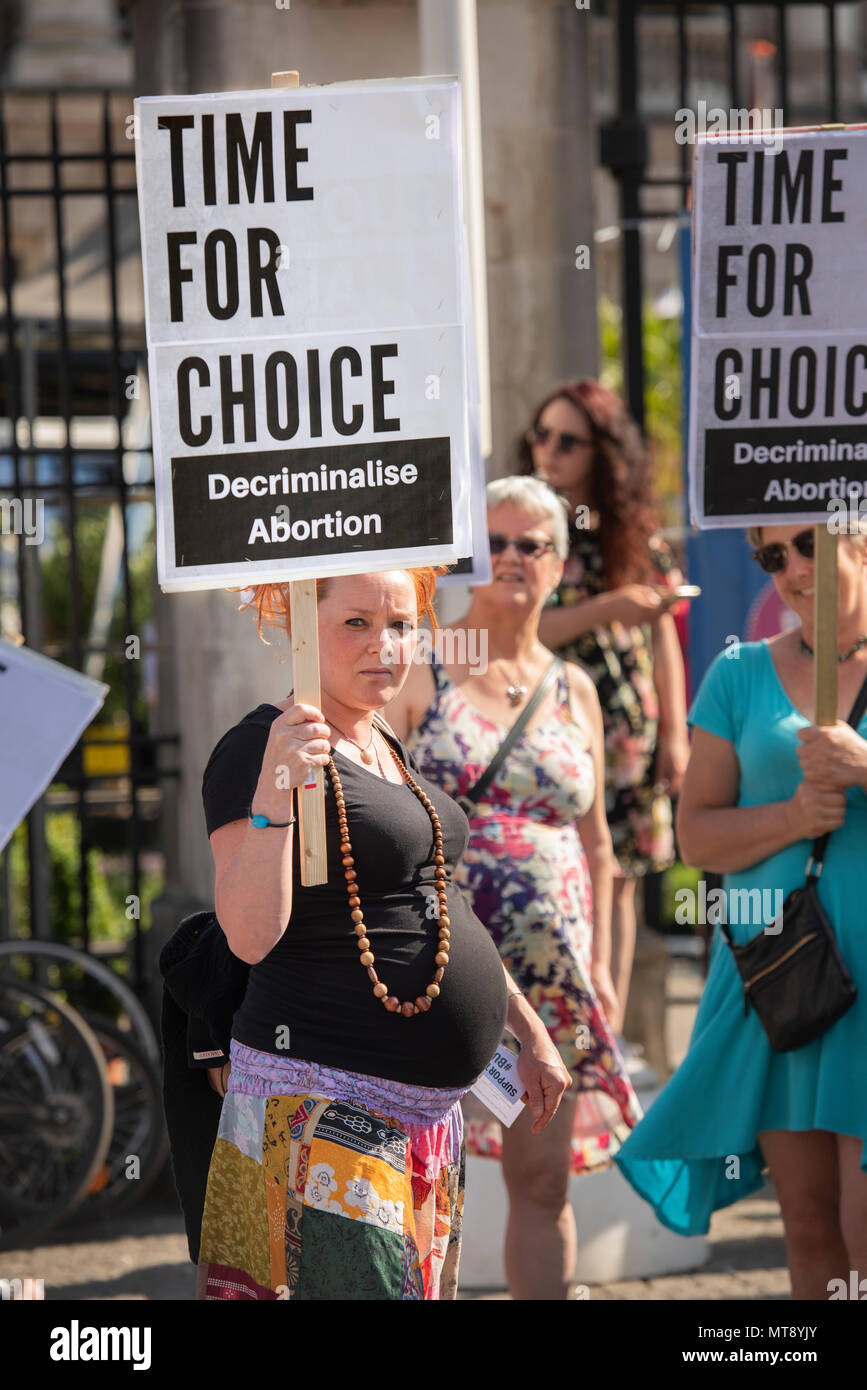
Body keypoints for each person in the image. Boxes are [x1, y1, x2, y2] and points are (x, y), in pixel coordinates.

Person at [195, 566, 570, 1301]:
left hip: (424, 1120)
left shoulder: (381, 738)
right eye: (357, 623)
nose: (386, 646)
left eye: (401, 624)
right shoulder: (258, 747)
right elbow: (246, 934)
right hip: (323, 1110)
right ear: (302, 624)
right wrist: (274, 793)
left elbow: (434, 902)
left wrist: (528, 1029)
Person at [387, 477, 643, 1301]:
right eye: (491, 542)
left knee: (543, 1184)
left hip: (556, 975)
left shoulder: (575, 689)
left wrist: (604, 966)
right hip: (439, 968)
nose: (507, 558)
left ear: (558, 563)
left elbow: (600, 846)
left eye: (528, 544)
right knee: (421, 1186)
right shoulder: (422, 665)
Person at [613, 522, 867, 1299]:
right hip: (785, 977)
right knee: (810, 1222)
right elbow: (696, 835)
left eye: (808, 545)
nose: (789, 569)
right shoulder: (735, 672)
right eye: (770, 556)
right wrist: (796, 815)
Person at [520, 379, 689, 1031]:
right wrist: (607, 609)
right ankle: (564, 1026)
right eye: (540, 435)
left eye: (567, 441)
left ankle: (606, 1033)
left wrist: (674, 734)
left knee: (617, 875)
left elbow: (662, 636)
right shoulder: (525, 529)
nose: (548, 451)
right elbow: (524, 629)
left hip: (626, 730)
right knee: (564, 868)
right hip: (548, 725)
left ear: (601, 451)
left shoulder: (634, 535)